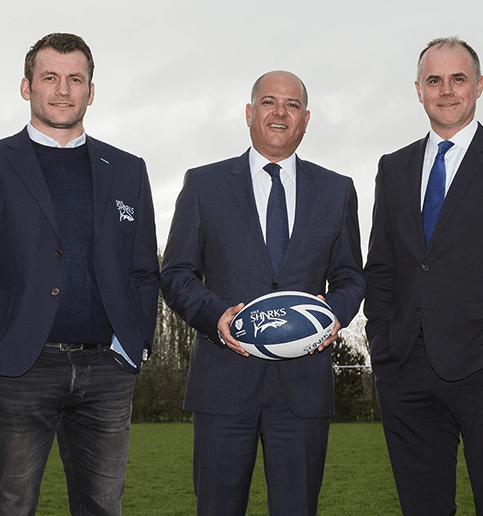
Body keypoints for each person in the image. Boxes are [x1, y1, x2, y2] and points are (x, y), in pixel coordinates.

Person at [0, 33, 159, 516]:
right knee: (9, 505)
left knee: (102, 507)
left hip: (108, 371)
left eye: (76, 79)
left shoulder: (129, 170)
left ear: (91, 91)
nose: (63, 89)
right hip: (19, 368)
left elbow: (143, 270)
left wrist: (135, 344)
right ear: (26, 87)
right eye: (50, 77)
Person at [160, 70, 365, 516]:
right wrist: (217, 317)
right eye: (269, 102)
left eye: (292, 105)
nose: (280, 112)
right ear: (250, 113)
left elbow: (352, 276)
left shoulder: (337, 190)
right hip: (222, 383)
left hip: (303, 388)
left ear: (306, 120)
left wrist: (332, 314)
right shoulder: (203, 184)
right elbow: (175, 273)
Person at [364, 36, 483, 515]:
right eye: (434, 80)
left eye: (458, 79)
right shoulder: (393, 167)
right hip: (405, 363)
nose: (446, 90)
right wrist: (382, 342)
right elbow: (381, 266)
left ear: (479, 85)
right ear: (418, 89)